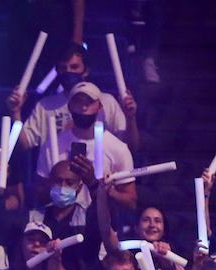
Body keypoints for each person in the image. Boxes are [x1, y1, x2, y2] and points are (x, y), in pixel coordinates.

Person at [11, 45, 139, 153]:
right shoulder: (46, 105)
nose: (68, 72)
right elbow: (23, 144)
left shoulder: (106, 102)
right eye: (63, 68)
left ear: (86, 70)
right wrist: (16, 112)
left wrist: (130, 118)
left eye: (74, 67)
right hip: (58, 178)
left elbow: (130, 146)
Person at [35, 83, 136, 212]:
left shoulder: (118, 148)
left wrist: (98, 185)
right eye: (78, 101)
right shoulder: (52, 145)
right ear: (69, 107)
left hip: (101, 226)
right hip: (59, 224)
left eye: (89, 102)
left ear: (100, 107)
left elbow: (131, 202)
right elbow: (39, 193)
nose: (83, 107)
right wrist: (59, 188)